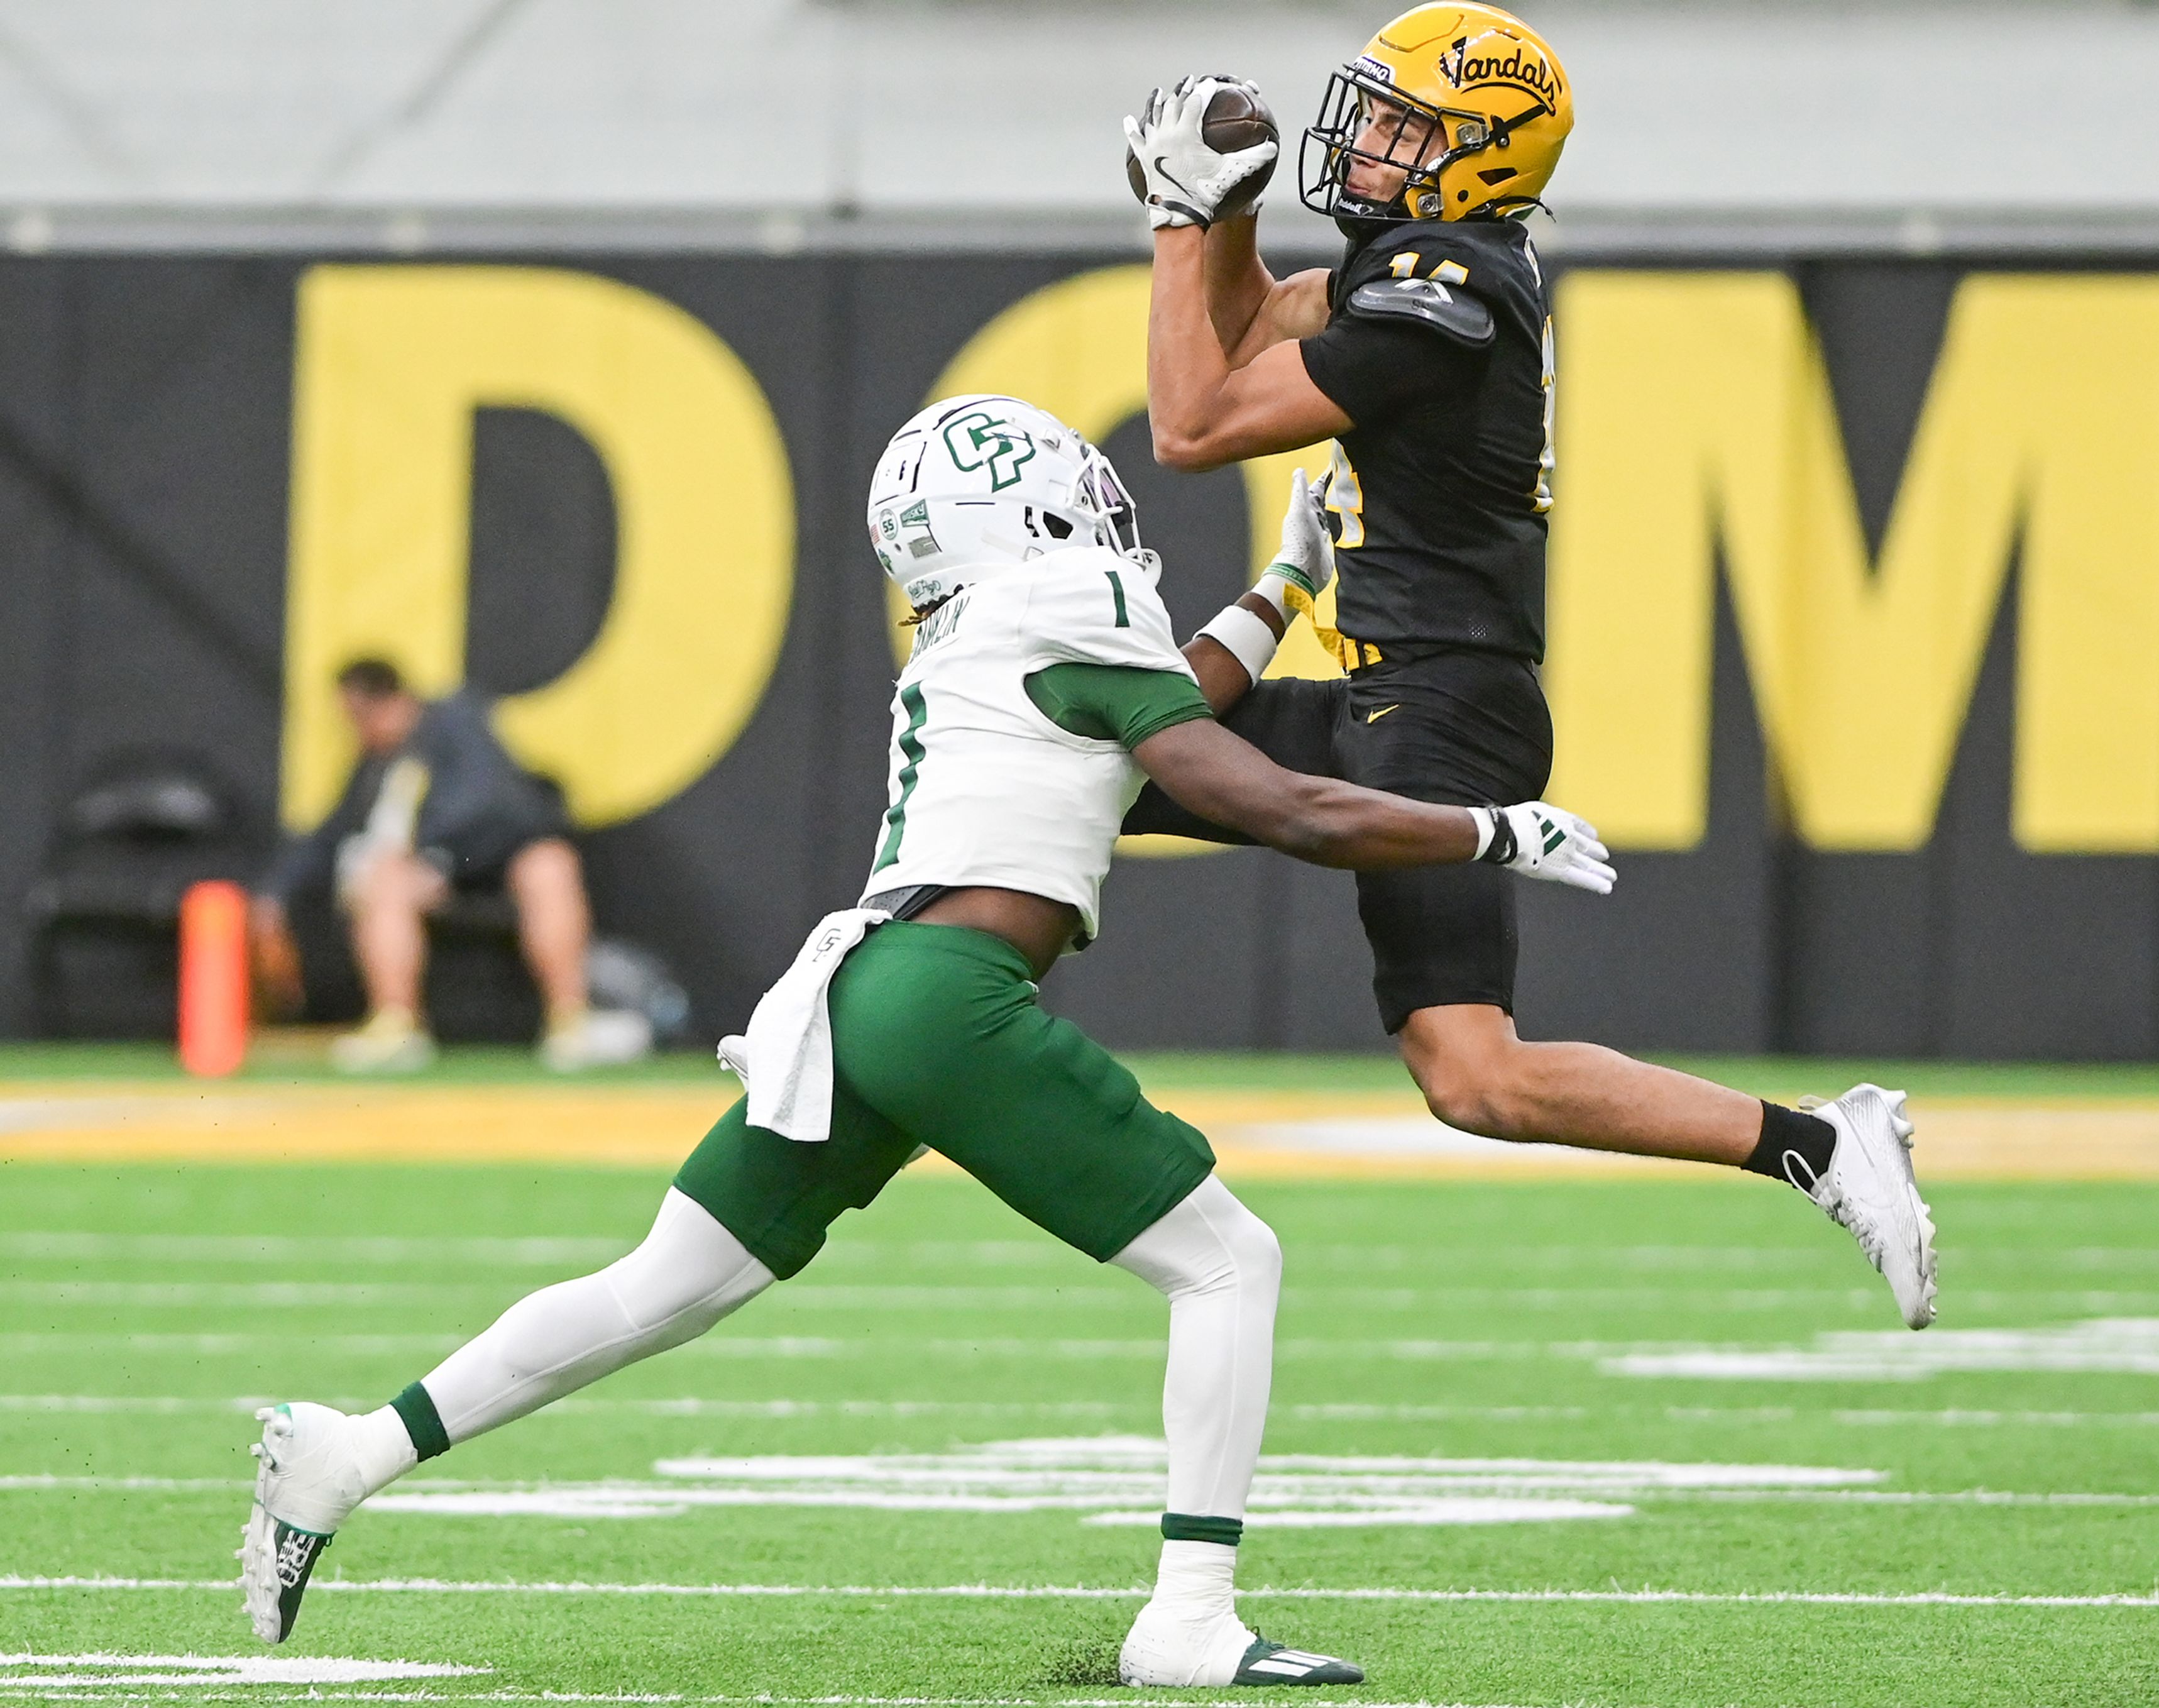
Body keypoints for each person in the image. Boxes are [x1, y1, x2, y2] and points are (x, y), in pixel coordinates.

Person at [240, 395, 1615, 1684]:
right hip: (947, 995)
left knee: (663, 1284)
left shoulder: (986, 629)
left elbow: (1155, 702)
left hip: (860, 993)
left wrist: (1280, 590)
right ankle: (1189, 1614)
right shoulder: (1074, 604)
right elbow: (1276, 800)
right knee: (1227, 1261)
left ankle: (351, 1450)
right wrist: (1491, 828)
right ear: (1032, 516)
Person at [1118, 6, 1937, 1328]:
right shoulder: (1436, 262)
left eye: (1406, 127)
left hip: (1437, 707)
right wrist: (1231, 216)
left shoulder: (1444, 282)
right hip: (1403, 689)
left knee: (1475, 1076)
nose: (1371, 144)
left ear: (1486, 158)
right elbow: (1255, 320)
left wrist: (1174, 215)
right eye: (1374, 114)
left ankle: (1821, 1143)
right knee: (1081, 762)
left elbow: (1193, 419)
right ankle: (869, 1010)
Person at [251, 659, 647, 1073]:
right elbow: (327, 835)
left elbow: (487, 801)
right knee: (384, 879)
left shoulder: (455, 720)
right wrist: (273, 894)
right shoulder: (373, 765)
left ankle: (570, 1021)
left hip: (490, 855)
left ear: (394, 700)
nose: (360, 729)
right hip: (430, 872)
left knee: (550, 865)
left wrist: (434, 853)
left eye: (363, 716)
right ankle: (397, 1024)